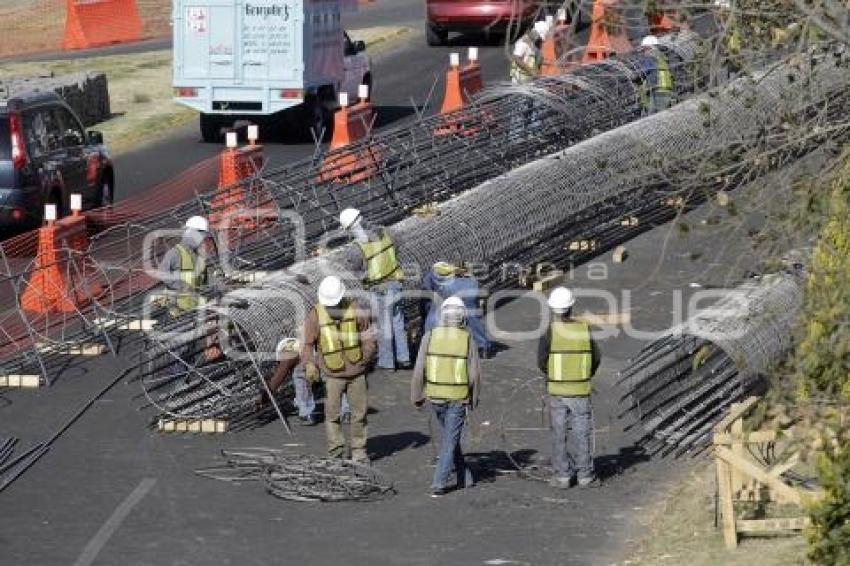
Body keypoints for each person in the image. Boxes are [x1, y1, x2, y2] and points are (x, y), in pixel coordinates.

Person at [301, 275, 376, 463]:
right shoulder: (315, 315)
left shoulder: (356, 309)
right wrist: (309, 363)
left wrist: (366, 357)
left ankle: (359, 450)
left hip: (357, 373)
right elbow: (307, 345)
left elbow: (368, 337)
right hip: (332, 375)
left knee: (359, 414)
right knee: (332, 415)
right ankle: (336, 451)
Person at [411, 296, 481, 497]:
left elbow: (419, 369)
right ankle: (439, 483)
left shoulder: (429, 337)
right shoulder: (467, 339)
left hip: (435, 397)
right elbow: (474, 373)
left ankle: (465, 478)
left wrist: (416, 395)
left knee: (451, 437)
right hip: (458, 398)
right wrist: (474, 399)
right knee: (450, 440)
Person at [537, 287, 600, 489]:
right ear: (571, 307)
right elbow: (596, 357)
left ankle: (563, 476)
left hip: (557, 390)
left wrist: (552, 374)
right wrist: (584, 374)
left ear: (553, 310)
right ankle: (585, 476)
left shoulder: (550, 331)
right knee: (582, 432)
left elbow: (541, 360)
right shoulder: (584, 329)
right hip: (580, 390)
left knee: (559, 432)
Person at [340, 207, 410, 371]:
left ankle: (387, 363)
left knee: (383, 328)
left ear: (350, 228)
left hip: (379, 290)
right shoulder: (386, 232)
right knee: (398, 323)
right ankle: (404, 357)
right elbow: (396, 249)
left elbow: (355, 271)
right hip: (396, 283)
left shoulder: (357, 248)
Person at [422, 261, 491, 359]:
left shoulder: (436, 274)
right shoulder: (472, 280)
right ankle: (483, 348)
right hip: (471, 288)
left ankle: (430, 342)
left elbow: (428, 287)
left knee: (434, 312)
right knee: (473, 318)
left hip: (451, 289)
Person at [259, 338, 318, 425]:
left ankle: (306, 415)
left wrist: (266, 394)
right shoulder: (297, 350)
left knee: (302, 386)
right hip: (315, 360)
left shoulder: (288, 357)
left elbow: (278, 377)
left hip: (309, 363)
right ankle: (344, 411)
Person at [638, 35, 675, 115]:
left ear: (649, 48)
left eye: (644, 50)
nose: (644, 53)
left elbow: (643, 72)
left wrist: (634, 77)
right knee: (663, 114)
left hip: (658, 90)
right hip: (667, 89)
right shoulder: (662, 57)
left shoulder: (650, 58)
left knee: (653, 117)